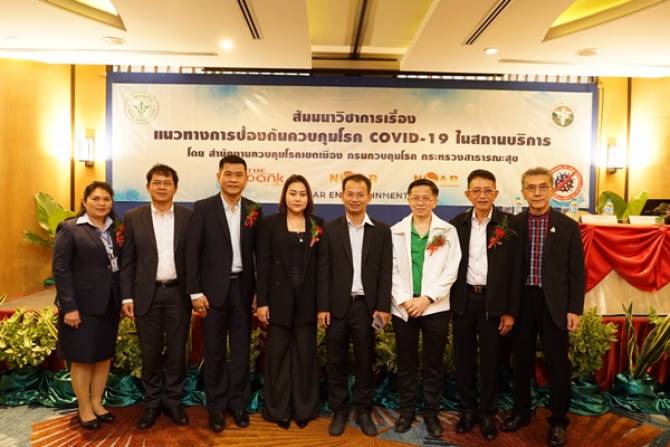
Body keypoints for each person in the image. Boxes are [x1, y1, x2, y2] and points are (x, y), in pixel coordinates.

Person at [500, 167, 585, 447]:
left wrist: (574, 309)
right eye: (531, 188)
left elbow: (577, 271)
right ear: (523, 192)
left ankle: (558, 421)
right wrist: (507, 308)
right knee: (520, 362)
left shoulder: (568, 226)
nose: (537, 193)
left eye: (542, 187)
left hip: (554, 304)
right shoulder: (513, 224)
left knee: (558, 365)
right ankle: (521, 412)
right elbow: (506, 269)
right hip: (522, 302)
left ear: (552, 189)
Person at [185, 155, 261, 432]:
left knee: (241, 351)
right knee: (215, 351)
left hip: (243, 289)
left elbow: (260, 255)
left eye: (239, 175)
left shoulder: (254, 210)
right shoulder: (203, 208)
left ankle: (238, 404)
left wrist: (259, 292)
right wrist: (194, 292)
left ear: (246, 178)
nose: (233, 179)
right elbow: (191, 253)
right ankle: (216, 407)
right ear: (218, 176)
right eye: (228, 174)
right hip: (212, 292)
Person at [317, 174, 392, 437]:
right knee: (335, 360)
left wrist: (383, 306)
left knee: (365, 360)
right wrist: (322, 307)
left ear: (369, 197)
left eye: (360, 194)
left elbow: (385, 271)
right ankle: (339, 409)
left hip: (366, 307)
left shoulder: (381, 230)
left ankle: (363, 410)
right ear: (342, 196)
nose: (355, 199)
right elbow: (323, 271)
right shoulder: (330, 229)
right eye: (350, 193)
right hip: (337, 307)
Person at [449, 169, 521, 440]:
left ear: (496, 193)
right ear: (468, 194)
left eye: (488, 190)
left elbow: (516, 272)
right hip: (464, 300)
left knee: (491, 360)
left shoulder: (510, 225)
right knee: (463, 359)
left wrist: (510, 311)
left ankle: (488, 413)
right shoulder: (456, 224)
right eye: (477, 190)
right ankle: (467, 410)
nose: (482, 195)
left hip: (494, 302)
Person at [120, 164, 192, 429]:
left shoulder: (188, 217)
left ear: (175, 187)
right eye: (157, 182)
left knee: (176, 351)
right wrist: (127, 297)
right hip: (145, 294)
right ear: (148, 186)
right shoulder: (133, 217)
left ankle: (173, 400)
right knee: (149, 351)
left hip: (178, 294)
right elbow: (127, 261)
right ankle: (151, 402)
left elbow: (194, 259)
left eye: (167, 182)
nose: (162, 187)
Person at [390, 178, 461, 437]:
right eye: (415, 197)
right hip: (404, 307)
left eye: (426, 198)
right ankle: (407, 410)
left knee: (433, 363)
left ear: (435, 201)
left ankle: (431, 413)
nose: (420, 202)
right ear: (408, 200)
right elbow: (390, 270)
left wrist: (427, 298)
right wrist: (404, 299)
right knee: (406, 362)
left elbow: (451, 270)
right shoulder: (396, 231)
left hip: (435, 307)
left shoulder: (447, 231)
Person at [255, 175, 323, 429]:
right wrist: (262, 302)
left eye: (302, 194)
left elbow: (322, 269)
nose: (297, 198)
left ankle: (304, 409)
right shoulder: (270, 224)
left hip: (307, 303)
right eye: (293, 193)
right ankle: (278, 410)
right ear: (285, 196)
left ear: (308, 198)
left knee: (305, 357)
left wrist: (322, 306)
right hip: (277, 302)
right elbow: (263, 265)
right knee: (277, 358)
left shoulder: (317, 224)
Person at [52, 181, 121, 430]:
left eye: (106, 199)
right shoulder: (71, 229)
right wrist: (69, 307)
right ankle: (84, 407)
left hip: (110, 303)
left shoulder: (116, 228)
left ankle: (97, 402)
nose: (101, 203)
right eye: (96, 199)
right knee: (82, 358)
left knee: (103, 356)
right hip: (81, 306)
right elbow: (61, 269)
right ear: (84, 201)